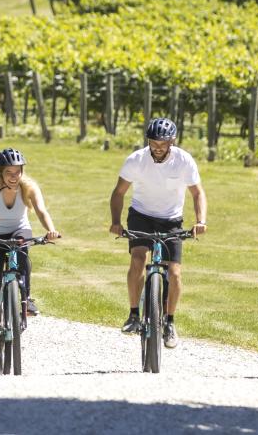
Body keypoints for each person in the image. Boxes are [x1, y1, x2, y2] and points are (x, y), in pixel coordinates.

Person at [108, 117, 207, 349]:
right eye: (154, 143)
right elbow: (119, 193)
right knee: (138, 259)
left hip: (171, 219)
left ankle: (170, 321)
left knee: (174, 273)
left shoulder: (184, 161)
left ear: (172, 142)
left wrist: (201, 221)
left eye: (163, 144)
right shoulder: (136, 160)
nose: (158, 148)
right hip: (141, 215)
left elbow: (197, 193)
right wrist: (115, 221)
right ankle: (134, 314)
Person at [0, 147, 61, 364]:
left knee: (23, 254)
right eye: (9, 172)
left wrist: (51, 230)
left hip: (19, 231)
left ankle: (26, 299)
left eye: (18, 171)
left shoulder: (29, 188)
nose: (14, 177)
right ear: (0, 172)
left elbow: (42, 211)